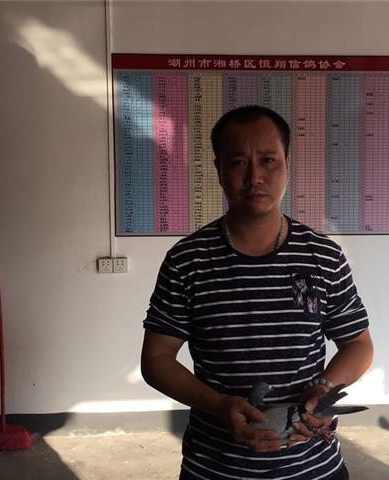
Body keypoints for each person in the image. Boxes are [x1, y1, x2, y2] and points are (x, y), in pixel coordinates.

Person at [141, 105, 373, 480]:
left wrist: (325, 388)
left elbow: (358, 345)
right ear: (219, 170)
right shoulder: (188, 260)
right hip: (215, 468)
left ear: (287, 165)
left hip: (313, 468)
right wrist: (218, 404)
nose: (254, 177)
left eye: (268, 160)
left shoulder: (323, 256)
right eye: (238, 163)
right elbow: (157, 358)